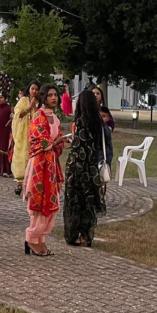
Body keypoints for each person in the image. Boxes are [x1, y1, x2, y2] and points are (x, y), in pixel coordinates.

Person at [24, 84, 67, 257]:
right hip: (39, 164)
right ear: (43, 97)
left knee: (51, 201)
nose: (54, 98)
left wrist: (61, 142)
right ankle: (31, 238)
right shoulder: (38, 116)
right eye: (50, 95)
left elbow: (56, 140)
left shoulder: (55, 118)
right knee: (39, 201)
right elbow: (39, 142)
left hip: (51, 164)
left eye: (55, 95)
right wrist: (57, 142)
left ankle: (40, 238)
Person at [63, 90, 107, 247]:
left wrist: (70, 141)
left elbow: (79, 146)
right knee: (88, 202)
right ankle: (86, 235)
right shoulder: (97, 121)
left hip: (78, 168)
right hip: (91, 167)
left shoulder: (81, 121)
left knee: (75, 202)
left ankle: (74, 235)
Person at [10, 81, 40, 195]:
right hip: (23, 133)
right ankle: (19, 182)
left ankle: (32, 183)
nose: (34, 91)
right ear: (29, 90)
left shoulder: (41, 102)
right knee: (21, 155)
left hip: (35, 133)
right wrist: (29, 107)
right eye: (33, 89)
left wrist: (35, 107)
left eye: (37, 89)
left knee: (34, 156)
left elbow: (40, 117)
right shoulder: (23, 100)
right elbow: (18, 115)